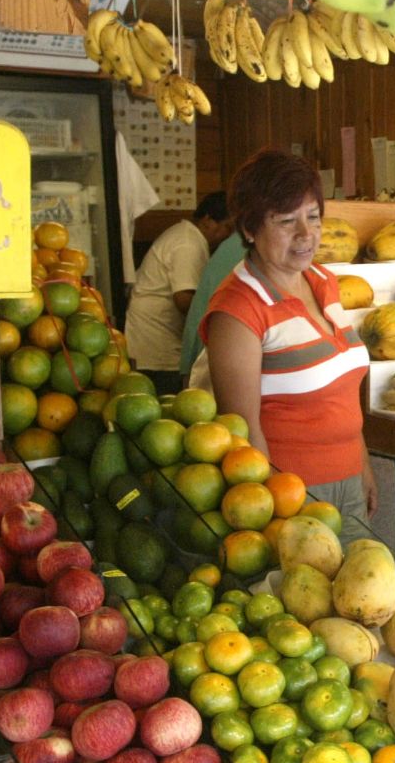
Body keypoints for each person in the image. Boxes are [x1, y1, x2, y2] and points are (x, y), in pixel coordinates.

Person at [202, 148, 377, 526]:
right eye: (285, 221)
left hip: (348, 482)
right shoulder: (238, 311)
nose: (306, 234)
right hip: (293, 495)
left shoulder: (323, 281)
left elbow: (342, 391)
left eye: (313, 217)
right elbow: (243, 432)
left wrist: (360, 464)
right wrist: (274, 516)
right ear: (249, 229)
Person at [125, 197, 234, 394]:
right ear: (207, 220)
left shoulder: (187, 236)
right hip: (157, 336)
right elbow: (184, 299)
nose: (228, 235)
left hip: (156, 330)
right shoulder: (188, 243)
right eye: (227, 227)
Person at [180, 191, 245, 376]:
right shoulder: (244, 246)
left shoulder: (232, 245)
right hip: (214, 354)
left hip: (206, 351)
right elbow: (182, 298)